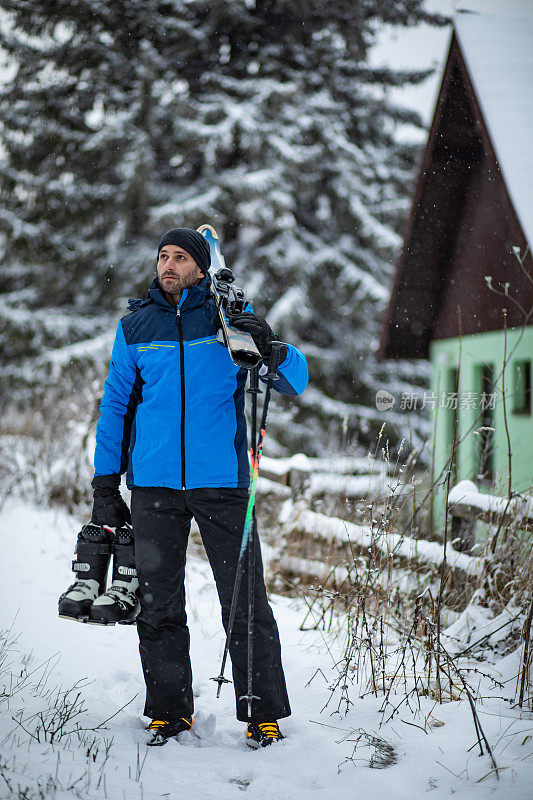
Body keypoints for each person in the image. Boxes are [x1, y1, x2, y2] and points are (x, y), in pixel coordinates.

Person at [59, 227, 308, 748]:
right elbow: (114, 407)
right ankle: (169, 712)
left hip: (222, 483)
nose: (167, 264)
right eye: (162, 256)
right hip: (153, 486)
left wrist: (272, 347)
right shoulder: (135, 327)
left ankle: (262, 713)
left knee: (244, 600)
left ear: (200, 266)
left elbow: (293, 381)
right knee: (158, 603)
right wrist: (105, 484)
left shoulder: (227, 319)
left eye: (179, 257)